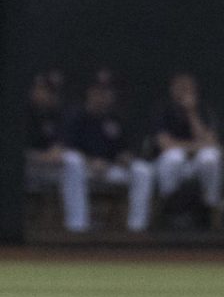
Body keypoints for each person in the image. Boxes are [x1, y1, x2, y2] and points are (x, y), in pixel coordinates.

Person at [60, 74, 154, 233]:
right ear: (90, 93)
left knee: (143, 171)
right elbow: (65, 148)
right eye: (99, 92)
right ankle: (77, 226)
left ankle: (137, 229)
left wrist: (125, 157)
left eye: (106, 92)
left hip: (110, 169)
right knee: (72, 161)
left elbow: (126, 149)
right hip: (85, 169)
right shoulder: (76, 116)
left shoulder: (116, 119)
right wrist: (90, 161)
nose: (103, 96)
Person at [152, 72, 224, 226]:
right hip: (170, 165)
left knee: (211, 157)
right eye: (180, 88)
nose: (184, 92)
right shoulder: (164, 110)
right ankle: (167, 205)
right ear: (172, 89)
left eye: (188, 88)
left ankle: (211, 207)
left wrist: (191, 113)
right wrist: (196, 146)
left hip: (196, 164)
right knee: (174, 157)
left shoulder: (204, 110)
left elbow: (212, 143)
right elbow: (165, 145)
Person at [23, 71, 91, 233]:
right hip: (21, 168)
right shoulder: (21, 113)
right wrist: (39, 156)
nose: (45, 94)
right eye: (41, 89)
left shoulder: (59, 114)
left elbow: (63, 143)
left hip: (47, 168)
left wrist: (57, 151)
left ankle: (77, 226)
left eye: (49, 91)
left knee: (74, 160)